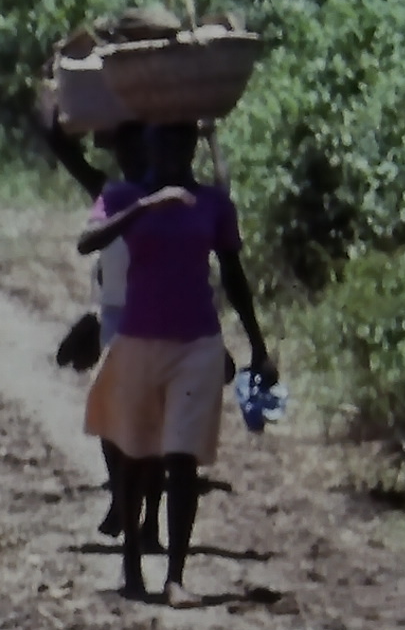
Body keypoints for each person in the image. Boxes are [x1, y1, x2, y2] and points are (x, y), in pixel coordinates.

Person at [75, 120, 272, 605]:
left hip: (197, 343)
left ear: (191, 146)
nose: (172, 148)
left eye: (181, 139)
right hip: (137, 340)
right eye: (163, 139)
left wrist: (258, 345)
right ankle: (132, 564)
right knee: (136, 454)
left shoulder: (212, 203)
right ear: (149, 144)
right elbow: (87, 241)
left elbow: (233, 273)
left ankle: (175, 577)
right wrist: (147, 206)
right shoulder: (123, 195)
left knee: (182, 458)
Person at [34, 103, 145, 543]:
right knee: (109, 414)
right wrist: (55, 108)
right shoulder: (109, 193)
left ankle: (144, 515)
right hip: (115, 315)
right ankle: (122, 495)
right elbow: (64, 149)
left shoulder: (176, 195)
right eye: (125, 148)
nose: (131, 157)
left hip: (166, 313)